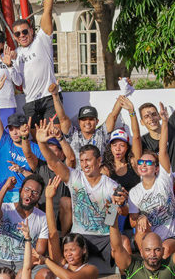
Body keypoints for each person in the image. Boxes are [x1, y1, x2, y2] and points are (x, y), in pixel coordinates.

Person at [36, 119, 134, 258]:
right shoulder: (75, 177)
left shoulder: (111, 185)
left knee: (124, 243)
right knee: (65, 246)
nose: (84, 165)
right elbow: (54, 162)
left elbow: (124, 212)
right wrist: (41, 143)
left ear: (99, 161)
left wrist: (119, 206)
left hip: (105, 236)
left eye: (88, 160)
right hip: (80, 237)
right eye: (81, 161)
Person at [0, 76, 44, 203]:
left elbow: (40, 175)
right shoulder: (5, 141)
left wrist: (21, 170)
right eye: (11, 129)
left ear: (25, 127)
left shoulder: (34, 148)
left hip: (21, 193)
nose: (14, 132)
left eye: (18, 128)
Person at [12, 0, 58, 124]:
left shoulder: (41, 39)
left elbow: (47, 10)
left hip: (50, 97)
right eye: (17, 34)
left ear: (31, 30)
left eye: (25, 31)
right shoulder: (15, 53)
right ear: (15, 37)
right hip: (30, 101)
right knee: (36, 141)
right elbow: (18, 82)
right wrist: (10, 64)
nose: (22, 35)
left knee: (54, 138)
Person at [129, 103, 175, 258]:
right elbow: (132, 220)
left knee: (165, 250)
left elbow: (162, 151)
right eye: (141, 163)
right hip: (150, 234)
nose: (143, 165)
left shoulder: (163, 179)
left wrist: (165, 121)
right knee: (138, 236)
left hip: (169, 233)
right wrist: (140, 218)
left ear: (156, 168)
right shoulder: (134, 192)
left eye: (148, 163)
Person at [10, 126, 74, 236]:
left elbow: (72, 159)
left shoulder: (65, 169)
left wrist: (60, 138)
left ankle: (62, 237)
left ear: (62, 154)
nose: (50, 154)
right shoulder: (40, 166)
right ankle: (33, 233)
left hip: (60, 219)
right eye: (48, 150)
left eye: (54, 151)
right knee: (30, 200)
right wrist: (25, 138)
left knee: (66, 201)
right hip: (40, 214)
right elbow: (28, 155)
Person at [49, 83, 126, 158]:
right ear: (79, 122)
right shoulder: (72, 135)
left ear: (97, 121)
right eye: (84, 119)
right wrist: (55, 95)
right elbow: (62, 118)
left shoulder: (102, 134)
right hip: (76, 171)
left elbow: (114, 116)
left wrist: (124, 91)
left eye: (91, 119)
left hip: (99, 171)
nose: (87, 122)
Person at [139, 102, 175, 168]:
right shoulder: (143, 142)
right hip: (161, 177)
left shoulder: (171, 125)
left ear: (159, 116)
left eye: (154, 114)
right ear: (142, 122)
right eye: (146, 116)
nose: (151, 119)